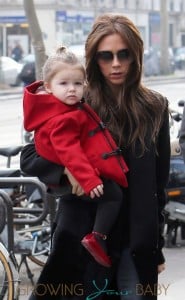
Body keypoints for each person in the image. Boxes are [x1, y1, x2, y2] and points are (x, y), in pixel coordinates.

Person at [20, 13, 170, 300]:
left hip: (135, 243)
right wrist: (67, 172)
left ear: (136, 56)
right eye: (106, 56)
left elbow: (157, 187)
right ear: (94, 59)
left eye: (123, 54)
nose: (115, 64)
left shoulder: (155, 107)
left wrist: (158, 246)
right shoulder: (76, 100)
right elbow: (30, 157)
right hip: (84, 238)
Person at [23, 46, 129, 268]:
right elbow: (66, 151)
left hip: (82, 188)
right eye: (64, 84)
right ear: (48, 87)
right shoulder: (64, 116)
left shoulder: (59, 108)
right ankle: (97, 237)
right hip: (76, 206)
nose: (72, 89)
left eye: (77, 84)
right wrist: (84, 177)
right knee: (113, 195)